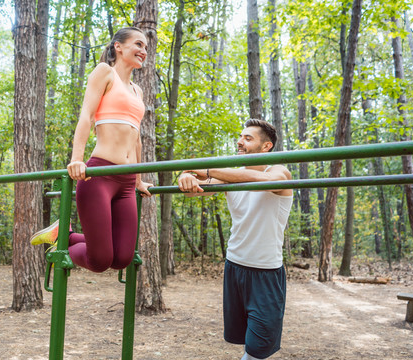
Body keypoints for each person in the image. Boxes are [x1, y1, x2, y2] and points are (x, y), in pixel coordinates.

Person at [31, 27, 153, 273]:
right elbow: (86, 116)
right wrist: (76, 159)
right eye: (138, 44)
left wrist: (139, 180)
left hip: (127, 181)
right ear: (118, 46)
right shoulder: (104, 72)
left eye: (146, 48)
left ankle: (62, 235)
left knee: (122, 258)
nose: (144, 51)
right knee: (99, 260)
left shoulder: (137, 91)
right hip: (99, 175)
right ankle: (62, 241)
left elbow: (136, 138)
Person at [177, 119, 293, 360]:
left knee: (258, 349)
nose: (240, 142)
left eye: (248, 138)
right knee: (246, 342)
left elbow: (270, 183)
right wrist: (185, 176)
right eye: (240, 137)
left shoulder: (279, 171)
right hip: (235, 267)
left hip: (266, 272)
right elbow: (199, 184)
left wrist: (207, 168)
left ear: (266, 147)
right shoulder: (233, 175)